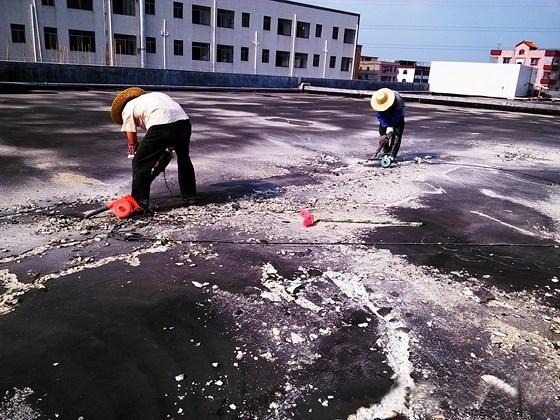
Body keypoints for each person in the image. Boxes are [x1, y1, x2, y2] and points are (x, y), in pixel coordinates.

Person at [110, 87, 197, 212]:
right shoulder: (154, 97)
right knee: (183, 158)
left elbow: (130, 134)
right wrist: (160, 155)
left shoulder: (127, 108)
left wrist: (135, 153)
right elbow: (168, 132)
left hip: (161, 124)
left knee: (140, 162)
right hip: (184, 122)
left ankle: (139, 203)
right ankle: (190, 196)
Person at [370, 88, 405, 163]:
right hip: (386, 116)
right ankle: (385, 151)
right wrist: (387, 126)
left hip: (397, 114)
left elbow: (398, 115)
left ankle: (392, 154)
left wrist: (392, 125)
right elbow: (380, 116)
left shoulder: (397, 100)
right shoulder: (379, 101)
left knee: (397, 134)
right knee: (382, 131)